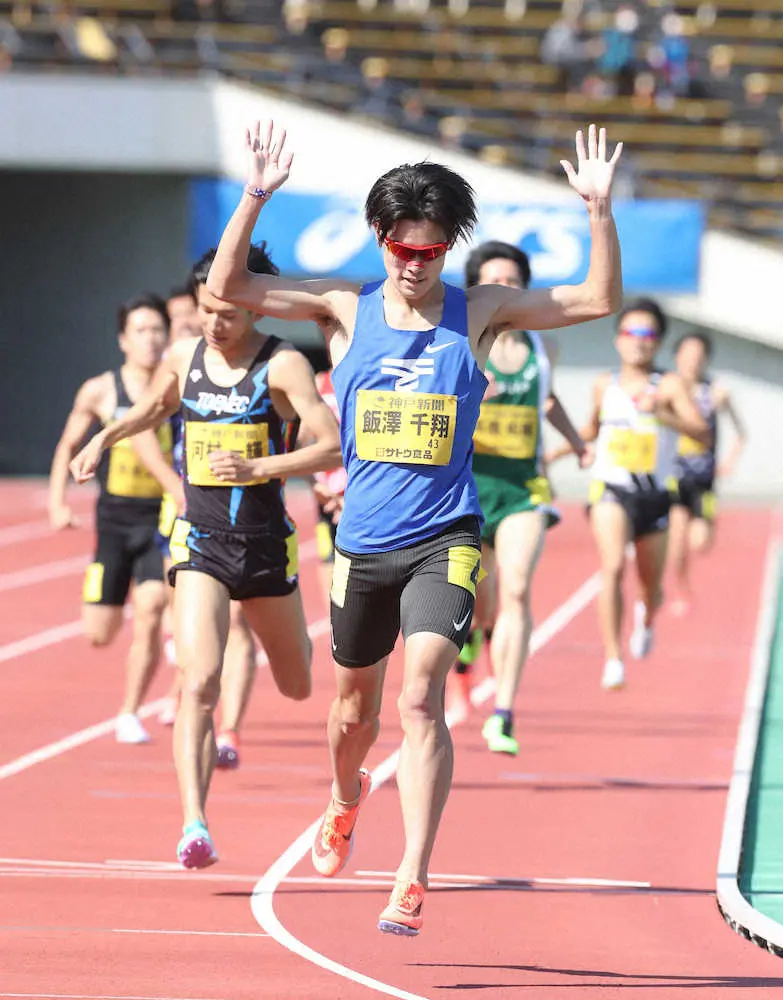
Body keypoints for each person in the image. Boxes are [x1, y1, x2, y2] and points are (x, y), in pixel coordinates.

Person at [202, 118, 623, 934]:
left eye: (430, 253)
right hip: (362, 545)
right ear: (380, 238)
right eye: (401, 249)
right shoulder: (342, 307)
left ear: (449, 249)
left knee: (422, 698)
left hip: (446, 538)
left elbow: (595, 300)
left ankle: (411, 875)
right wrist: (254, 197)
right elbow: (231, 290)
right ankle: (343, 796)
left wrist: (596, 212)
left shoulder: (479, 310)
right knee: (352, 714)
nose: (414, 265)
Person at [70, 244, 342, 869]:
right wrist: (103, 439)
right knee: (198, 680)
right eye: (204, 311)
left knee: (299, 684)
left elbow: (330, 446)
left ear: (258, 308)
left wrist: (261, 466)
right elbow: (152, 408)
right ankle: (194, 821)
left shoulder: (283, 366)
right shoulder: (183, 357)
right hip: (200, 541)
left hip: (267, 548)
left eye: (228, 313)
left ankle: (288, 662)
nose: (214, 324)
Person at [449, 240, 591, 754]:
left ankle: (504, 711)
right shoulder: (460, 341)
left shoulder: (541, 345)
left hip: (523, 490)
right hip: (466, 488)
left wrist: (576, 442)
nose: (506, 291)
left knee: (516, 591)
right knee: (477, 603)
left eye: (514, 282)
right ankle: (467, 659)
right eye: (495, 282)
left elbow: (547, 398)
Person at [133, 283, 262, 769]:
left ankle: (229, 729)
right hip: (190, 506)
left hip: (252, 513)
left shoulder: (261, 360)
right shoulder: (178, 362)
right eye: (189, 314)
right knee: (183, 614)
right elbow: (143, 423)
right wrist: (172, 482)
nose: (199, 322)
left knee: (237, 621)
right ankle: (190, 689)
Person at [552, 299, 710, 691]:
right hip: (611, 490)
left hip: (655, 496)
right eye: (631, 333)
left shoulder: (669, 385)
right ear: (618, 339)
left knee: (650, 585)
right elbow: (592, 428)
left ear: (657, 342)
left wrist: (663, 413)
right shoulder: (604, 385)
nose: (639, 342)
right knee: (612, 567)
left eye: (648, 335)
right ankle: (613, 657)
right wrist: (558, 451)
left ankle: (646, 615)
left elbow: (702, 433)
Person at [48, 294, 172, 744]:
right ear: (123, 340)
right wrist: (58, 502)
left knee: (153, 608)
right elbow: (67, 445)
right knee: (99, 633)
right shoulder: (100, 390)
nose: (151, 339)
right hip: (114, 522)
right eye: (141, 330)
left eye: (158, 329)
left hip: (160, 518)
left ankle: (130, 711)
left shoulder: (174, 388)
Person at [667, 331, 746, 615]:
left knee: (699, 544)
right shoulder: (666, 389)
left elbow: (741, 433)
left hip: (704, 482)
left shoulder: (716, 392)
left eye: (698, 357)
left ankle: (704, 529)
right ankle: (681, 589)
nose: (692, 361)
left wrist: (729, 461)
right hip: (674, 479)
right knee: (676, 541)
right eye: (687, 355)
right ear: (677, 357)